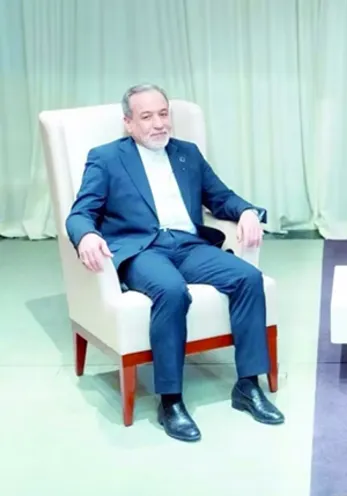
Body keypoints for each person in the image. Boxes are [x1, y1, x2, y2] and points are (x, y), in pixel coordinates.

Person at [65, 84, 284, 442]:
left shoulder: (187, 153)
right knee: (171, 291)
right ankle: (171, 401)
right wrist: (87, 235)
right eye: (147, 116)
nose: (158, 124)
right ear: (129, 123)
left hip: (188, 245)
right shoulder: (106, 158)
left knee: (248, 278)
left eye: (163, 114)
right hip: (142, 250)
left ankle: (248, 385)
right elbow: (80, 213)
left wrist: (247, 211)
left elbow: (221, 197)